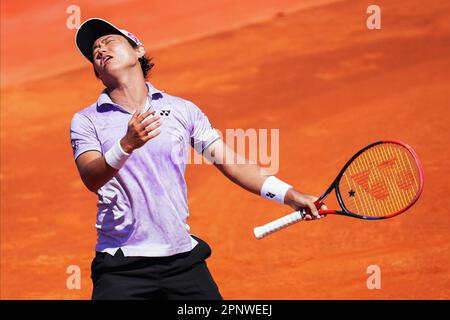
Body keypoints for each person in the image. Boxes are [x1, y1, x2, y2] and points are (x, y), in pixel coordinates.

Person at [70, 18, 327, 300]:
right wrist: (126, 145)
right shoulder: (87, 120)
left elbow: (230, 162)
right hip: (121, 266)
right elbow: (91, 177)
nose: (100, 49)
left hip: (183, 261)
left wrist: (289, 195)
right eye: (94, 50)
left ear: (138, 50)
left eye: (109, 41)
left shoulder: (182, 110)